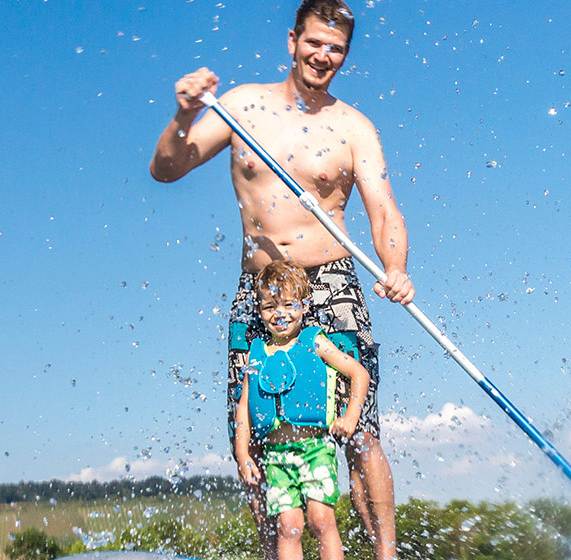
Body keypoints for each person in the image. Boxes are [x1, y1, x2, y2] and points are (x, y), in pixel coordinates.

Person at [149, 1, 409, 558]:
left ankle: (386, 555)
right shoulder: (242, 105)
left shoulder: (353, 127)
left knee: (356, 428)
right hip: (261, 290)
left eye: (336, 48)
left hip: (332, 281)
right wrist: (181, 116)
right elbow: (167, 169)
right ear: (292, 40)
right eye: (314, 43)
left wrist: (395, 269)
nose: (324, 55)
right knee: (260, 433)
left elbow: (384, 210)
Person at [235, 262, 372, 560]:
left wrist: (350, 418)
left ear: (304, 305)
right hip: (276, 456)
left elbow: (359, 374)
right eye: (270, 306)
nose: (280, 313)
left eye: (288, 304)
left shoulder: (314, 341)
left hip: (315, 448)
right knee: (288, 527)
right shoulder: (256, 353)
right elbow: (243, 409)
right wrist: (243, 455)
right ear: (260, 310)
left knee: (321, 520)